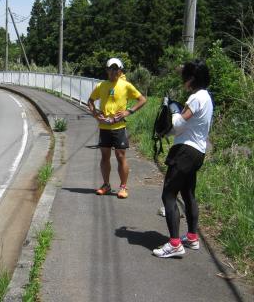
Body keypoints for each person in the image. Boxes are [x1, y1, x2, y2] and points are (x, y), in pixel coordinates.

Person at [153, 60, 213, 258]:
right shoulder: (207, 98)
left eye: (184, 76)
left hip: (185, 152)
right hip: (198, 152)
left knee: (168, 195)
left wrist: (172, 108)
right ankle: (192, 237)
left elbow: (179, 123)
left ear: (191, 79)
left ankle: (174, 244)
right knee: (188, 194)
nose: (183, 80)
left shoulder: (196, 98)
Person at [88, 58, 147, 199]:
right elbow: (90, 101)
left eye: (116, 69)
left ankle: (123, 187)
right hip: (104, 127)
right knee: (105, 157)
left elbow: (142, 99)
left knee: (121, 157)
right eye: (111, 69)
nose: (113, 71)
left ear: (120, 70)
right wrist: (96, 114)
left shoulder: (126, 85)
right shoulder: (101, 86)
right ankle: (106, 185)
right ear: (107, 70)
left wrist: (128, 112)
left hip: (119, 127)